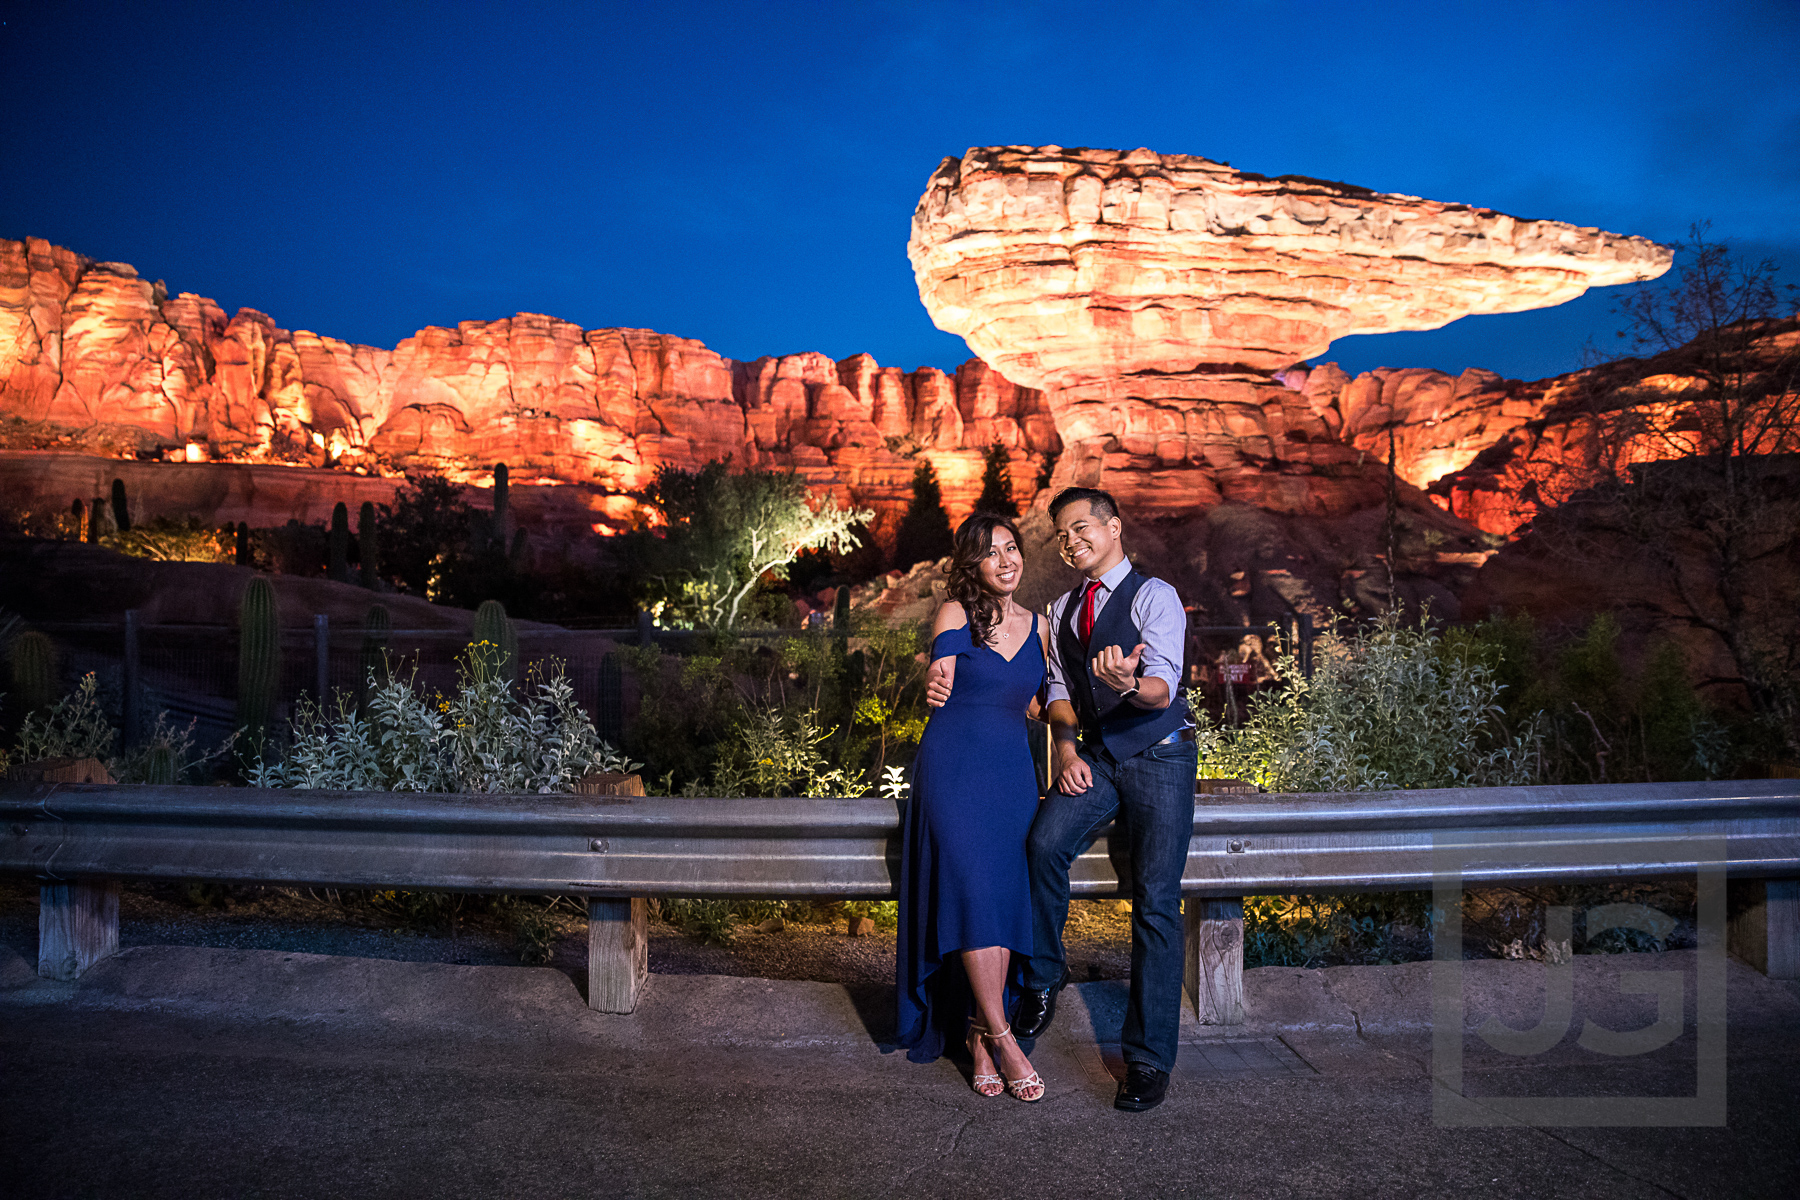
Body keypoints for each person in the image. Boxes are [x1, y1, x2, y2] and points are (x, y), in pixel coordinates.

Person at [929, 486, 1194, 1112]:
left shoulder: (1157, 597)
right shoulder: (1062, 609)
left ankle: (1148, 1059)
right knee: (1043, 843)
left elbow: (1161, 687)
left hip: (1160, 755)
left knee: (1156, 902)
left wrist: (1133, 681)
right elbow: (1054, 689)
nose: (1073, 543)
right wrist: (1069, 750)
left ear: (1114, 528)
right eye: (1063, 536)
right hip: (1098, 758)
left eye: (1082, 530)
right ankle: (1044, 976)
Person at [895, 512, 1050, 1102]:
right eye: (992, 553)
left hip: (1012, 777)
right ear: (973, 566)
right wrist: (934, 680)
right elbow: (942, 669)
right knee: (971, 890)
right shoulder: (956, 614)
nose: (1007, 559)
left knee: (1003, 896)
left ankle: (978, 1036)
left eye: (1012, 548)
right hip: (954, 773)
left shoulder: (1038, 628)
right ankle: (1006, 1038)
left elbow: (1041, 704)